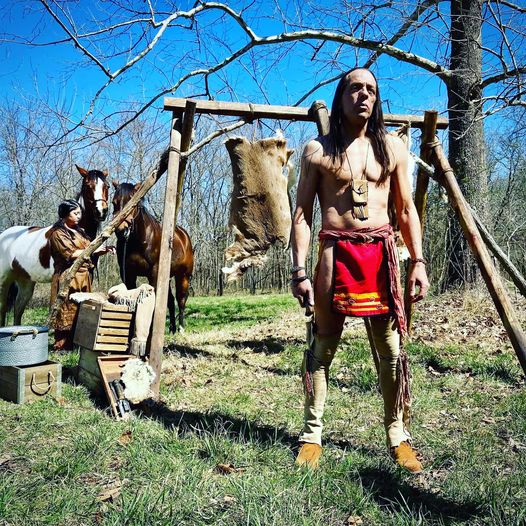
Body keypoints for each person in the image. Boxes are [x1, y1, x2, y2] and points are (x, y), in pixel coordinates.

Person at [290, 68, 429, 473]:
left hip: (381, 257)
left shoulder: (393, 149)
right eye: (355, 88)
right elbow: (301, 214)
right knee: (323, 346)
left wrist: (418, 261)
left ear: (377, 98)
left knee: (389, 351)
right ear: (341, 96)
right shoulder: (318, 150)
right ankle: (312, 435)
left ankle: (396, 434)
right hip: (334, 252)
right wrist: (299, 271)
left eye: (370, 89)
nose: (363, 95)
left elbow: (405, 210)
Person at [49, 199, 115, 351]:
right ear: (65, 214)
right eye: (75, 213)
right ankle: (62, 346)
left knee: (82, 309)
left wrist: (104, 249)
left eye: (80, 213)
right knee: (66, 308)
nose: (79, 216)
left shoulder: (80, 231)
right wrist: (94, 249)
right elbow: (71, 254)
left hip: (84, 276)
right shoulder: (58, 233)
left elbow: (89, 248)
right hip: (68, 277)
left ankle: (78, 342)